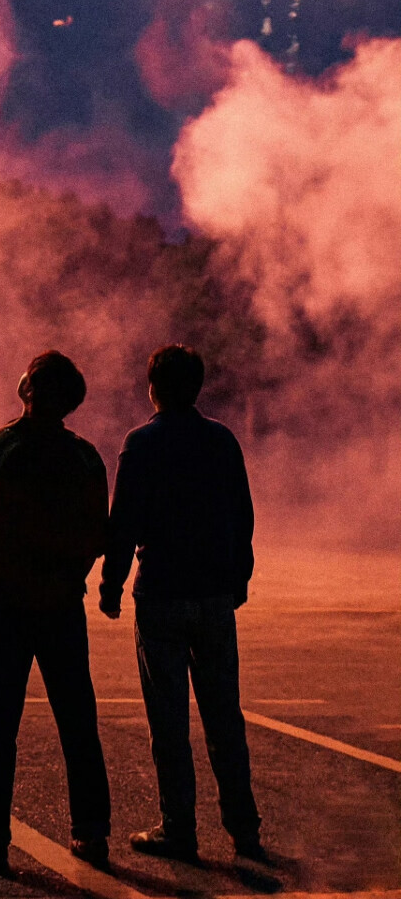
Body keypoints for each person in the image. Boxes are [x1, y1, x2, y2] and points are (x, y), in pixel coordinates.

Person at [99, 344, 263, 864]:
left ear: (152, 387)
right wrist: (237, 580)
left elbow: (123, 524)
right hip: (215, 595)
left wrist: (111, 584)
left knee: (168, 720)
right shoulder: (221, 441)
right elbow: (243, 516)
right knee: (224, 717)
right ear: (197, 387)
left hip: (163, 593)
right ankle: (244, 828)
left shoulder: (141, 443)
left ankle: (179, 828)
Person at [0, 351, 112, 875]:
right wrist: (69, 581)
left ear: (26, 388)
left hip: (3, 607)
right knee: (78, 721)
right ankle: (91, 833)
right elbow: (96, 536)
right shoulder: (86, 458)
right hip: (63, 605)